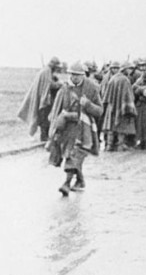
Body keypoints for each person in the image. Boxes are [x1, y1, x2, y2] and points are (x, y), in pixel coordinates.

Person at [46, 61, 102, 196]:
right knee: (69, 155)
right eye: (73, 74)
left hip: (84, 129)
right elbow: (56, 110)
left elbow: (100, 111)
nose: (75, 77)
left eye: (78, 75)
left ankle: (66, 183)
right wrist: (54, 127)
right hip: (67, 129)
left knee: (75, 155)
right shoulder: (64, 89)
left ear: (84, 75)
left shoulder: (92, 88)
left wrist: (88, 104)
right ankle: (80, 180)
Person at [17, 56, 63, 141]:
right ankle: (43, 136)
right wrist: (60, 84)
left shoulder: (46, 71)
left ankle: (44, 135)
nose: (57, 69)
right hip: (44, 100)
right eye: (56, 67)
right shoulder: (47, 71)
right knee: (44, 119)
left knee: (43, 118)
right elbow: (49, 85)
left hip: (42, 99)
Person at [102, 61, 137, 151]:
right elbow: (128, 95)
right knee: (122, 125)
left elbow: (106, 95)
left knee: (111, 126)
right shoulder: (125, 80)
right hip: (121, 106)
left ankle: (109, 145)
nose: (130, 71)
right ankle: (120, 145)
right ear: (125, 69)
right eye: (129, 69)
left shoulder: (113, 78)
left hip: (111, 106)